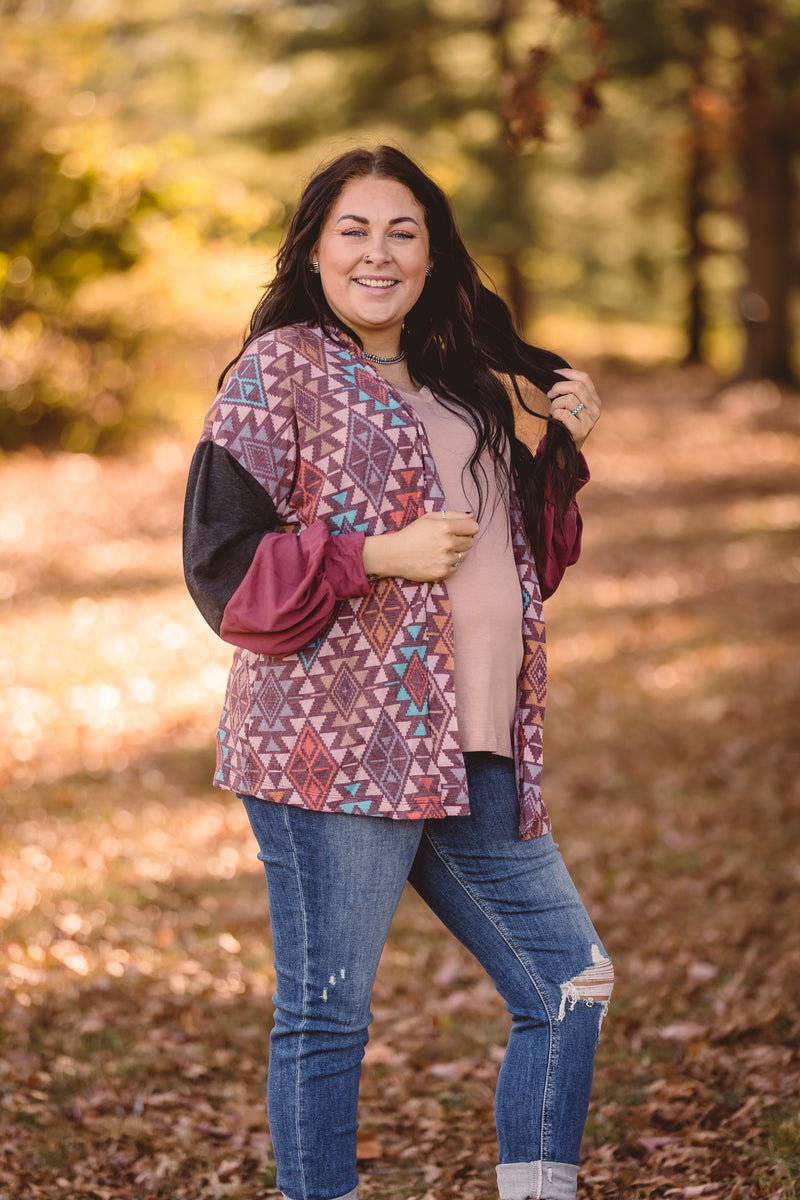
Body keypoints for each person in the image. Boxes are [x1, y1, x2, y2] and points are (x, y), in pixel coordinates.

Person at [183, 145, 613, 1200]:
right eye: (354, 231)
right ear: (316, 250)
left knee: (569, 982)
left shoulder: (462, 379)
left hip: (476, 748)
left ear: (432, 254)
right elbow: (220, 567)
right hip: (333, 751)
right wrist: (372, 554)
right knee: (327, 1017)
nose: (378, 253)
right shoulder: (277, 369)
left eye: (402, 231)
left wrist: (555, 448)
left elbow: (527, 568)